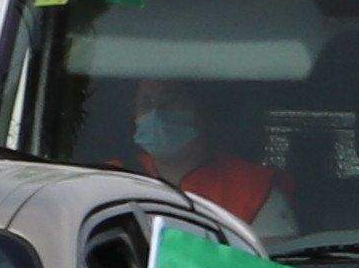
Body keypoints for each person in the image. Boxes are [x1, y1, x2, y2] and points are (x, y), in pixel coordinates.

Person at [118, 79, 283, 232]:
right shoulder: (111, 177)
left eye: (170, 101)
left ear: (201, 110)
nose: (156, 113)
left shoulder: (253, 188)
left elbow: (272, 259)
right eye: (146, 104)